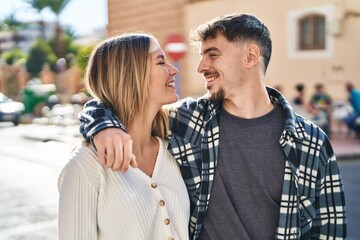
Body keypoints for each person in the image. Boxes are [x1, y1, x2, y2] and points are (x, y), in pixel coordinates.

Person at [79, 14, 347, 239]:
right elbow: (114, 101)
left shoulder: (311, 142)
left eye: (212, 55)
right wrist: (104, 126)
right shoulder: (186, 121)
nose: (200, 67)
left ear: (251, 56)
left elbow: (330, 229)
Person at [58, 33, 190, 240]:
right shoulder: (86, 164)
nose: (173, 70)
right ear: (130, 74)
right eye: (161, 62)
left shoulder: (176, 148)